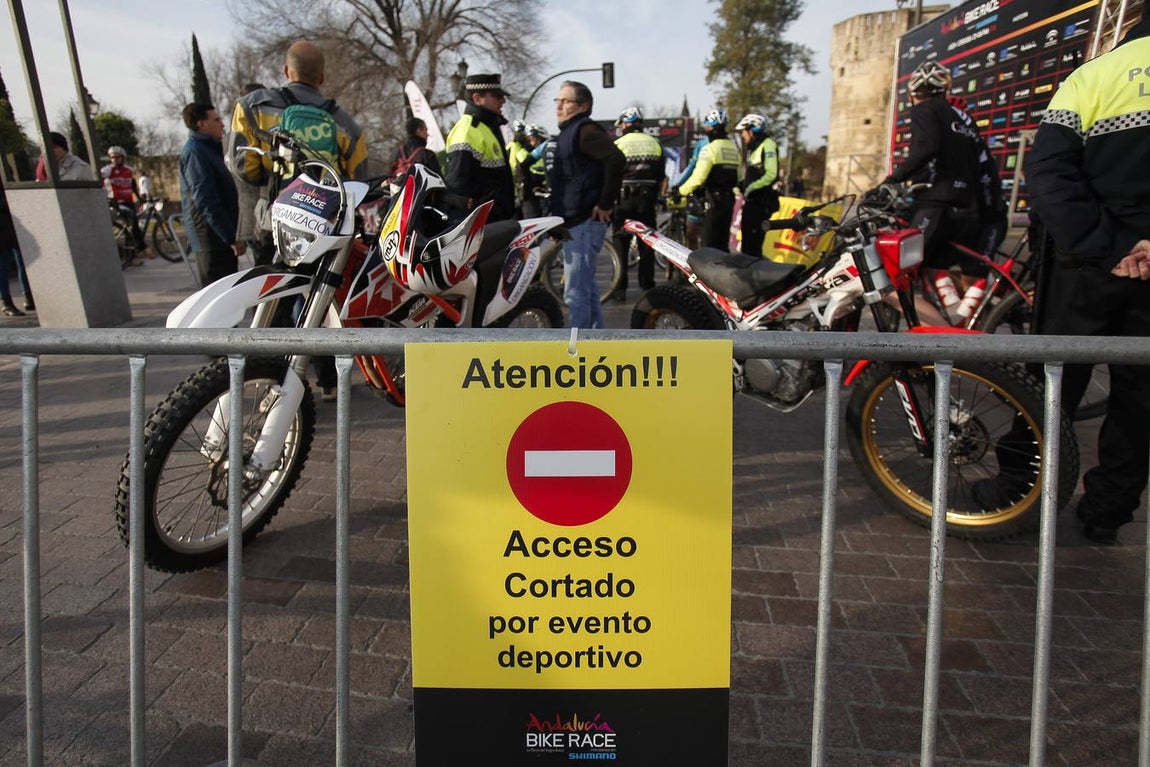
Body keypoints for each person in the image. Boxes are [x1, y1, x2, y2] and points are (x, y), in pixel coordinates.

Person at [1017, 13, 1150, 544]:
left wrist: (1109, 246)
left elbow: (1049, 172)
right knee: (1140, 400)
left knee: (1051, 384)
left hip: (1088, 263)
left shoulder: (1095, 74)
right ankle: (1106, 514)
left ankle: (1018, 491)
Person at [229, 41, 368, 401]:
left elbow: (244, 167)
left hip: (275, 223)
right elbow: (357, 179)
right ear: (322, 77)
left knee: (271, 304)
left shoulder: (253, 107)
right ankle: (328, 383)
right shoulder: (345, 123)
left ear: (285, 71)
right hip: (325, 229)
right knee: (318, 304)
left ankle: (266, 384)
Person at [882, 60, 983, 279]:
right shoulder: (961, 117)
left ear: (912, 94)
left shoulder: (924, 109)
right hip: (967, 205)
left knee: (900, 273)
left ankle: (923, 314)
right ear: (945, 91)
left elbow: (925, 148)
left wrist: (892, 180)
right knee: (937, 270)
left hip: (936, 202)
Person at [546, 80, 625, 329]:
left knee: (575, 291)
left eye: (566, 101)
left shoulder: (585, 131)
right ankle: (596, 341)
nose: (559, 105)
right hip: (575, 220)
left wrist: (605, 202)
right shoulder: (570, 132)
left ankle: (577, 350)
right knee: (586, 288)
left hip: (585, 221)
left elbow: (616, 159)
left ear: (583, 105)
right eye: (557, 100)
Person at [179, 102, 244, 285]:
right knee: (217, 299)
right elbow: (206, 200)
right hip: (211, 240)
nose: (222, 124)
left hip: (218, 238)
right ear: (201, 124)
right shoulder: (196, 152)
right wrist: (230, 237)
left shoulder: (208, 149)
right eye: (216, 120)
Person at [444, 73, 515, 222]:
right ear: (477, 98)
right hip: (482, 225)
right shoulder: (467, 131)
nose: (502, 101)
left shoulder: (486, 128)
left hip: (496, 220)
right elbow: (459, 189)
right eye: (496, 96)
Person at [610, 106, 663, 300]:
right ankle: (647, 286)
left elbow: (611, 174)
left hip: (623, 201)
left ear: (625, 123)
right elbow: (660, 175)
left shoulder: (618, 143)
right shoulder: (655, 143)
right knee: (647, 243)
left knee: (620, 245)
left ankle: (620, 288)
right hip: (646, 200)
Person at [671, 109, 739, 251]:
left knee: (709, 246)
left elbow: (698, 178)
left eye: (707, 127)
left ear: (711, 128)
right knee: (722, 244)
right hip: (728, 202)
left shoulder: (709, 149)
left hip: (712, 201)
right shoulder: (733, 148)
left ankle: (706, 273)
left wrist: (680, 191)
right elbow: (737, 177)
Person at [734, 113, 780, 257]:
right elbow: (753, 174)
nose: (742, 135)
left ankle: (756, 277)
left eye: (743, 132)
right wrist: (741, 185)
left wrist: (751, 188)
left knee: (754, 246)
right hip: (751, 202)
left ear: (752, 130)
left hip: (761, 202)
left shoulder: (768, 145)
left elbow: (771, 174)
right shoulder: (754, 148)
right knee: (747, 243)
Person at [101, 145, 149, 257]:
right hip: (117, 202)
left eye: (118, 157)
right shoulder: (108, 170)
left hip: (129, 201)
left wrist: (140, 198)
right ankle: (143, 248)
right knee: (133, 220)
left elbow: (132, 185)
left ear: (123, 158)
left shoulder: (129, 170)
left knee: (131, 228)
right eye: (112, 157)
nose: (115, 160)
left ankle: (131, 256)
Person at [0, 177, 33, 316]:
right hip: (3, 225)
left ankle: (28, 297)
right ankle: (6, 302)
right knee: (3, 266)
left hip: (14, 223)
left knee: (23, 260)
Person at [671, 132, 710, 249]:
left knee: (693, 232)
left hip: (700, 190)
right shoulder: (726, 145)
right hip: (713, 193)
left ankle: (695, 261)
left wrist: (678, 186)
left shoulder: (703, 143)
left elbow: (692, 168)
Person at [519, 124, 550, 218]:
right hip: (534, 192)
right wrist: (531, 185)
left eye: (532, 138)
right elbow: (523, 165)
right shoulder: (526, 151)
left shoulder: (547, 145)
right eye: (529, 138)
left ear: (540, 138)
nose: (530, 141)